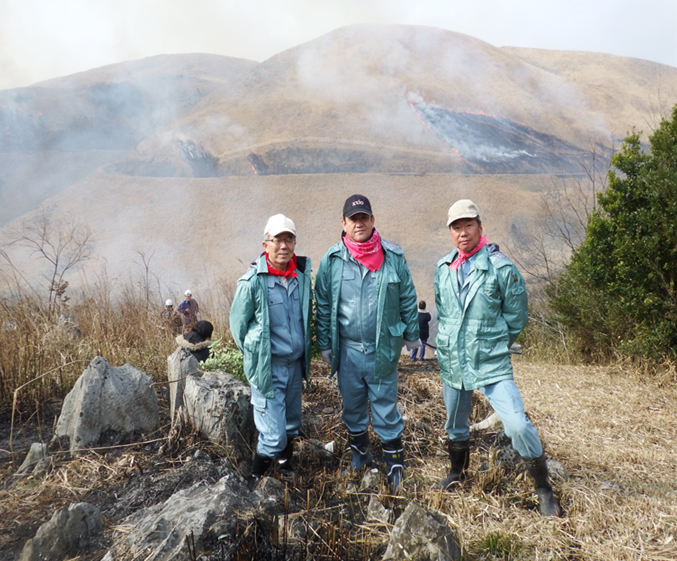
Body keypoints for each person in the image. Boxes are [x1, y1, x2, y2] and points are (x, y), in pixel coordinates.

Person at [433, 199, 560, 516]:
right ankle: (456, 473)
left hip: (491, 362)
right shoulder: (443, 269)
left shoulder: (501, 268)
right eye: (456, 227)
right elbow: (446, 313)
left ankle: (544, 489)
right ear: (450, 232)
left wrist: (491, 342)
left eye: (468, 225)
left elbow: (517, 318)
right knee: (455, 425)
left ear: (479, 227)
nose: (463, 233)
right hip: (454, 362)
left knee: (517, 424)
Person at [315, 194, 420, 489]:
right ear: (344, 224)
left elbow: (407, 297)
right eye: (353, 219)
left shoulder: (393, 257)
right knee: (352, 406)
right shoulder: (333, 260)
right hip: (347, 350)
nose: (359, 223)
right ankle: (360, 456)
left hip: (383, 347)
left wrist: (412, 335)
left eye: (364, 218)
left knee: (386, 406)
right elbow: (323, 304)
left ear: (373, 221)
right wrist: (325, 343)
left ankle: (394, 463)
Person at [229, 214, 312, 491]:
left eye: (289, 239)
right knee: (274, 435)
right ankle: (254, 476)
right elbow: (238, 328)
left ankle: (284, 467)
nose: (283, 246)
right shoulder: (252, 281)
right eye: (277, 240)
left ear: (294, 243)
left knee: (291, 424)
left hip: (294, 366)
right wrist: (256, 356)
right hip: (268, 368)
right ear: (266, 244)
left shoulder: (300, 278)